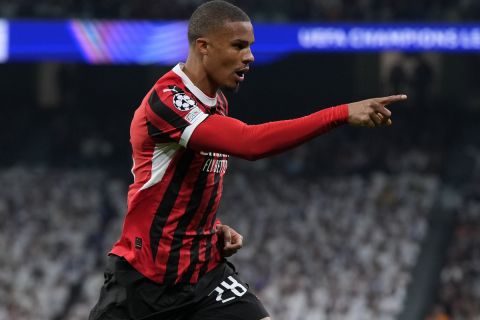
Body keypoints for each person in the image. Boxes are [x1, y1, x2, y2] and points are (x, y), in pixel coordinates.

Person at [89, 1, 407, 319]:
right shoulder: (167, 100)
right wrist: (341, 113)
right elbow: (249, 143)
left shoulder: (219, 103)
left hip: (204, 277)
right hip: (144, 283)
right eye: (239, 46)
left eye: (250, 47)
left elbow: (187, 182)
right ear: (204, 47)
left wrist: (210, 228)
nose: (250, 57)